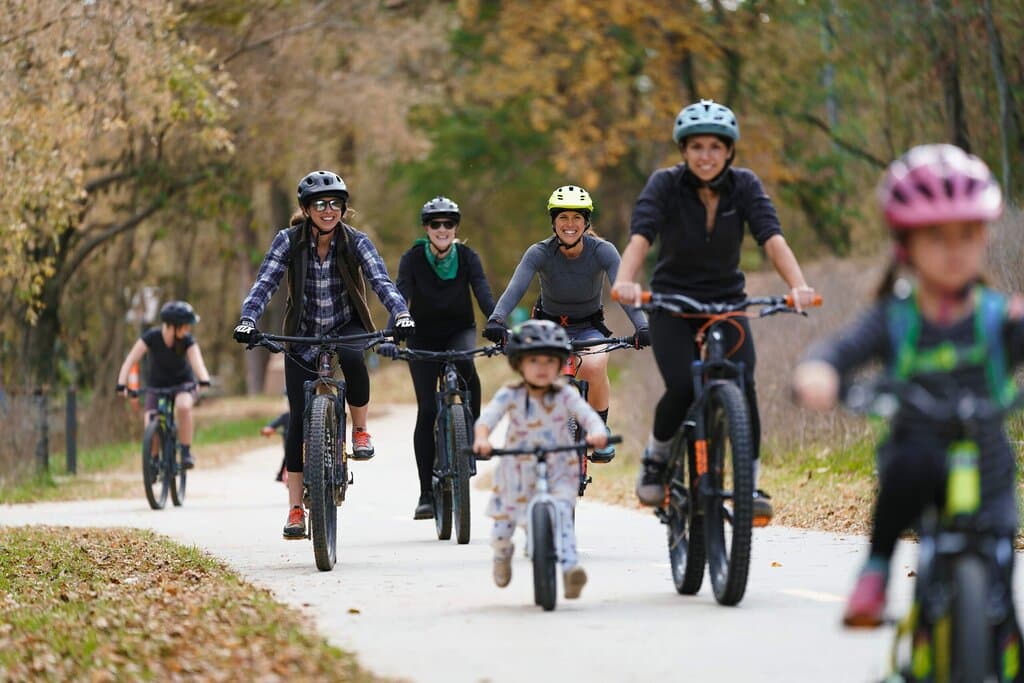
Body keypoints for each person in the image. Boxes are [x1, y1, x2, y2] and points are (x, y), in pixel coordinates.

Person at [792, 143, 1022, 627]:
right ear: (906, 245)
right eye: (936, 236)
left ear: (983, 237)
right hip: (918, 463)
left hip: (990, 472)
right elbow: (839, 351)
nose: (954, 249)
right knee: (908, 465)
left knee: (1001, 604)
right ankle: (876, 569)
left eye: (967, 234)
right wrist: (820, 373)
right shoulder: (895, 317)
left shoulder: (999, 317)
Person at [612, 99, 817, 523]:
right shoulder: (665, 185)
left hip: (726, 302)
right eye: (697, 147)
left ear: (729, 151)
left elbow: (771, 237)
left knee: (743, 382)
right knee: (683, 386)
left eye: (715, 147)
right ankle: (657, 458)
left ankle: (749, 484)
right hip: (672, 303)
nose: (705, 156)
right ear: (684, 150)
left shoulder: (744, 186)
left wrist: (798, 286)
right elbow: (641, 236)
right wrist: (625, 280)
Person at [232, 170, 415, 539]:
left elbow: (380, 280)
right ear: (306, 209)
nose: (328, 210)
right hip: (302, 331)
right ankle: (295, 509)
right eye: (320, 204)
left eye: (334, 204)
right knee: (297, 418)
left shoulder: (356, 241)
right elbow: (265, 282)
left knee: (353, 357)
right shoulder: (288, 241)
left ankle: (359, 430)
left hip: (346, 324)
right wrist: (248, 319)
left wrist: (401, 314)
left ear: (343, 209)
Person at [482, 185, 649, 461]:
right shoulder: (539, 252)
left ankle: (599, 428)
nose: (569, 224)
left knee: (595, 364)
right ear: (553, 222)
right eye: (563, 217)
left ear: (586, 222)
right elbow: (515, 289)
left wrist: (642, 326)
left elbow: (623, 290)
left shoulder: (603, 251)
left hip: (588, 327)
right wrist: (497, 319)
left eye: (576, 218)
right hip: (548, 329)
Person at [473, 320, 609, 598]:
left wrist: (597, 432)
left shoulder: (565, 394)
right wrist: (482, 439)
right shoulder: (511, 394)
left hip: (559, 468)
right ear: (519, 364)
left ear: (560, 363)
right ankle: (502, 554)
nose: (542, 367)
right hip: (517, 471)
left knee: (563, 517)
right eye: (534, 360)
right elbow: (487, 420)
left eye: (549, 361)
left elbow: (588, 416)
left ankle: (570, 570)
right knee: (502, 527)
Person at [383, 196, 495, 520]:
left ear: (456, 227)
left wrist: (499, 324)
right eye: (436, 224)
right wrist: (391, 334)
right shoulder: (413, 258)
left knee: (465, 363)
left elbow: (483, 293)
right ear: (426, 228)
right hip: (421, 335)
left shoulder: (469, 257)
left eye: (449, 223)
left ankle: (473, 434)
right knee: (428, 409)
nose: (442, 229)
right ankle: (425, 495)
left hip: (459, 330)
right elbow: (400, 295)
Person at [116, 301, 212, 469]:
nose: (188, 329)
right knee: (150, 422)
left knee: (183, 407)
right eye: (185, 326)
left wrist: (204, 379)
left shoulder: (187, 340)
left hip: (183, 384)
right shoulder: (151, 337)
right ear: (172, 326)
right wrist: (121, 384)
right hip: (157, 385)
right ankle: (153, 460)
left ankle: (185, 452)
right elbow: (130, 360)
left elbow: (197, 362)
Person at [260, 410, 289, 483]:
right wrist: (267, 428)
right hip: (289, 445)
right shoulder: (286, 416)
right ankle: (281, 474)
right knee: (288, 456)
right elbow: (272, 425)